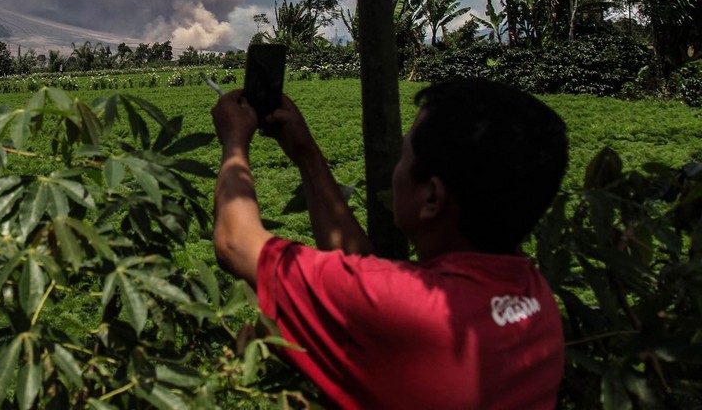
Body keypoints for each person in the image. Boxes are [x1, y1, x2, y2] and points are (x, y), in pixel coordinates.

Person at [211, 78, 568, 409]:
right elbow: (368, 273)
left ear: (432, 198)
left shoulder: (410, 311)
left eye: (404, 157)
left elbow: (237, 243)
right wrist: (305, 153)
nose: (396, 170)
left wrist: (235, 142)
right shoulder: (532, 295)